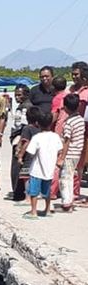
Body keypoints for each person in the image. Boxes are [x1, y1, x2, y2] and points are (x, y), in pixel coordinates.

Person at [24, 111, 62, 218]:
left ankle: (34, 211)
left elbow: (30, 152)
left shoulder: (37, 137)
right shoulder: (55, 136)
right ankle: (47, 209)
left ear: (38, 123)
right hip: (50, 168)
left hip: (37, 169)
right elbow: (60, 150)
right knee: (47, 191)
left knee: (34, 191)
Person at [57, 93, 84, 212]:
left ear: (66, 108)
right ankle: (70, 199)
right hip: (77, 153)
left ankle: (66, 203)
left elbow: (67, 141)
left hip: (69, 154)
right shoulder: (80, 120)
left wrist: (62, 157)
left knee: (65, 178)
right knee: (71, 177)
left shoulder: (68, 123)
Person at [9, 84, 33, 197]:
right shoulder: (24, 106)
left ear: (26, 95)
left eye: (19, 95)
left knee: (17, 167)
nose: (16, 97)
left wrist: (18, 143)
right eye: (15, 95)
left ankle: (18, 193)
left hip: (20, 140)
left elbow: (23, 126)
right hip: (21, 139)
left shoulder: (25, 108)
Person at [48, 76, 69, 200]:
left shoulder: (57, 99)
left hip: (59, 132)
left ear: (53, 87)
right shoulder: (69, 95)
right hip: (69, 131)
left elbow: (54, 117)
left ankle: (52, 191)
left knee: (56, 163)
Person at [70, 62, 88, 204]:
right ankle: (74, 193)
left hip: (86, 133)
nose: (74, 76)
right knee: (76, 165)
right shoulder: (71, 90)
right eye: (73, 74)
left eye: (76, 74)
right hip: (74, 133)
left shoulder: (86, 92)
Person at [16, 107, 44, 202]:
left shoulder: (27, 129)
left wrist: (20, 155)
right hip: (38, 156)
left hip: (29, 157)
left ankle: (28, 196)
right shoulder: (40, 129)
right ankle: (37, 193)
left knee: (26, 177)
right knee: (36, 176)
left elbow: (26, 143)